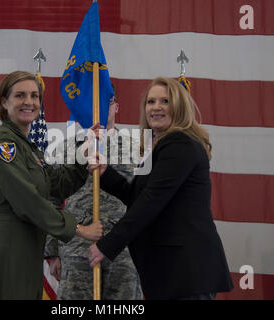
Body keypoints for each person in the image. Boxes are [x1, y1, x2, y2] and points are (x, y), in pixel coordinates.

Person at [88, 77, 233, 300]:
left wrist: (108, 245)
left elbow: (151, 201)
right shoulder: (160, 146)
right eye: (150, 101)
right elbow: (139, 197)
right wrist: (105, 173)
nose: (156, 107)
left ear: (179, 107)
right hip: (170, 273)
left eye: (165, 101)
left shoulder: (180, 143)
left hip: (185, 272)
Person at [0, 71, 103, 300]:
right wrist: (80, 230)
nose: (29, 102)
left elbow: (57, 184)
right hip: (8, 249)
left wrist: (83, 152)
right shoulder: (4, 145)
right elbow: (28, 202)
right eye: (20, 95)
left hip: (25, 249)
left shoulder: (27, 148)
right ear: (4, 101)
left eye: (34, 96)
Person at [44, 86, 143, 300]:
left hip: (124, 251)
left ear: (116, 106)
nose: (98, 108)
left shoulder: (138, 149)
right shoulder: (65, 149)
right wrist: (52, 252)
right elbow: (51, 200)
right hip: (76, 248)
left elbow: (146, 200)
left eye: (106, 101)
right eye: (93, 101)